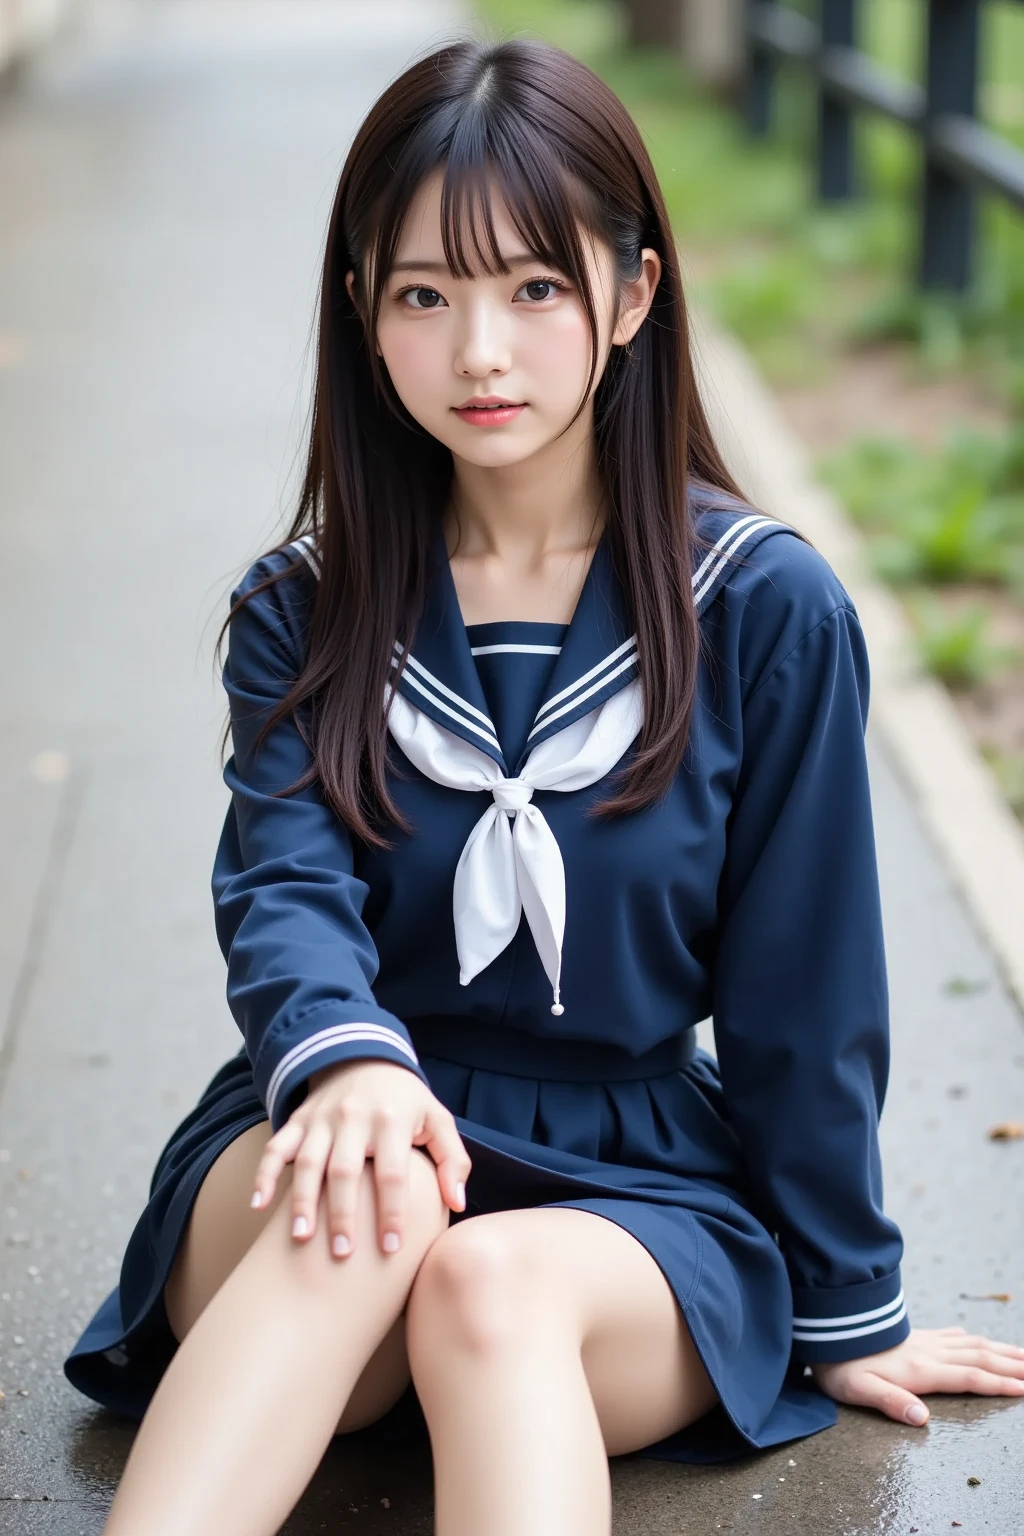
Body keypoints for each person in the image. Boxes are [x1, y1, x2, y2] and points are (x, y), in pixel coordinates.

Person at [64, 34, 1024, 1536]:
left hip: (630, 1187)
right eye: (423, 296)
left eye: (534, 287)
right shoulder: (308, 608)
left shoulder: (758, 610)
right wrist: (348, 1061)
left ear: (634, 295)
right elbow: (284, 885)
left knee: (484, 1282)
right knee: (382, 1201)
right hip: (335, 1119)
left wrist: (851, 1304)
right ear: (362, 317)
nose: (481, 353)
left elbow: (805, 988)